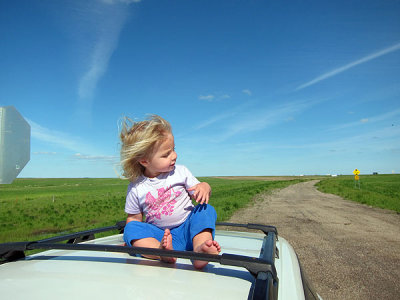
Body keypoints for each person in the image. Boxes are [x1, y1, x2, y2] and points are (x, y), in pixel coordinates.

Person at [120, 114, 221, 269]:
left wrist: (205, 186)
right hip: (160, 236)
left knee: (205, 210)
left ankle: (201, 250)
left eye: (173, 149)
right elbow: (134, 218)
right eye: (166, 154)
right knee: (131, 228)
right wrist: (132, 238)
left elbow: (198, 192)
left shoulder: (181, 172)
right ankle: (161, 252)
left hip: (188, 230)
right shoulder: (136, 187)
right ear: (144, 161)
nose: (174, 156)